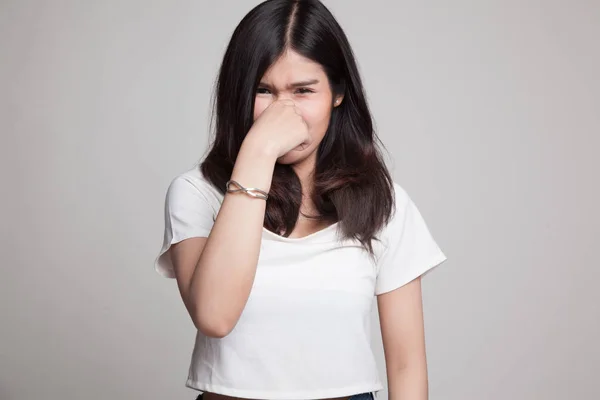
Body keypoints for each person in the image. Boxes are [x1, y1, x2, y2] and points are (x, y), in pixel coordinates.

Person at [154, 0, 447, 399]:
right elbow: (215, 315)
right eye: (263, 90)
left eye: (304, 91)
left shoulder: (382, 202)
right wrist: (258, 152)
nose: (283, 112)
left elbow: (407, 366)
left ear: (337, 93)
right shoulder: (196, 193)